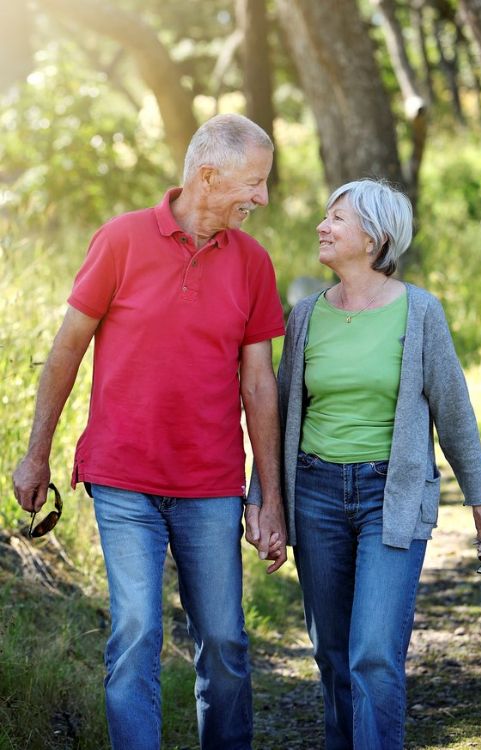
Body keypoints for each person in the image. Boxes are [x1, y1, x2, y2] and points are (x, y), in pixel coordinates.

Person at [13, 113, 287, 750]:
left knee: (222, 638)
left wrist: (268, 499)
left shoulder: (252, 263)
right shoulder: (121, 239)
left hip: (210, 482)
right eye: (255, 183)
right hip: (122, 476)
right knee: (136, 626)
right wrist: (35, 455)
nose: (262, 199)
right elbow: (66, 351)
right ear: (208, 175)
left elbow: (259, 385)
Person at [248, 178, 481, 750]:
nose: (322, 226)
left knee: (374, 655)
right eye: (325, 215)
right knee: (334, 655)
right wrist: (265, 503)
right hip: (313, 493)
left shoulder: (420, 312)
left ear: (376, 237)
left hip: (392, 493)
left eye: (337, 218)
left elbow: (456, 414)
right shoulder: (306, 315)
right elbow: (279, 412)